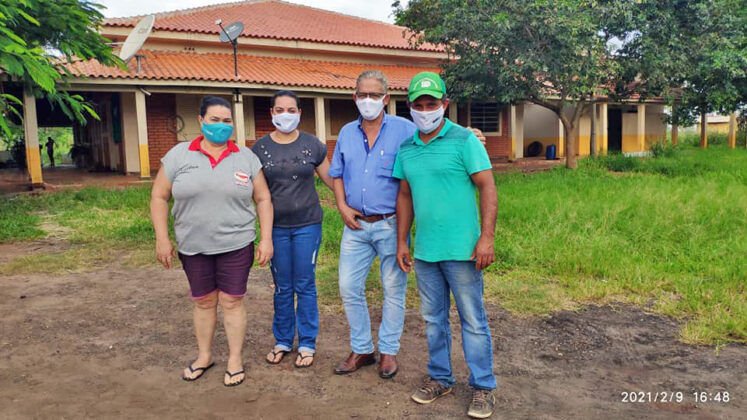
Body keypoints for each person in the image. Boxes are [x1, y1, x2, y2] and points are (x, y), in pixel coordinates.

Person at [393, 72, 499, 419]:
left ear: (445, 104)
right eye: (419, 105)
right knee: (433, 320)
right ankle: (441, 378)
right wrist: (402, 241)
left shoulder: (464, 140)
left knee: (472, 319)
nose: (426, 110)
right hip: (425, 251)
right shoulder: (407, 149)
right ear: (410, 107)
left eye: (432, 104)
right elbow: (405, 195)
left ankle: (482, 386)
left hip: (464, 251)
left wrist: (486, 238)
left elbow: (487, 187)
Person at [150, 96, 274, 387]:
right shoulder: (179, 155)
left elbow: (263, 198)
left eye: (227, 121)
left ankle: (234, 359)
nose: (221, 126)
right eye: (215, 120)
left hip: (236, 243)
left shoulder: (245, 157)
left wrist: (266, 239)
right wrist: (161, 238)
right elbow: (159, 196)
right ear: (201, 121)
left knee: (232, 301)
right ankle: (204, 356)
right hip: (193, 245)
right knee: (204, 302)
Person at [328, 70, 416, 379]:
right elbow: (336, 173)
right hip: (355, 226)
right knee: (349, 286)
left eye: (374, 95)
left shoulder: (406, 129)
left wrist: (468, 132)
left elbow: (436, 134)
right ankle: (362, 348)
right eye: (362, 94)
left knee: (393, 289)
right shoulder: (346, 133)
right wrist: (341, 205)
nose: (368, 100)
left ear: (386, 99)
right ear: (354, 98)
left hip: (391, 225)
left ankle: (388, 351)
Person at [252, 90, 334, 368]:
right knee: (282, 286)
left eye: (291, 110)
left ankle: (308, 342)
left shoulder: (313, 145)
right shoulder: (260, 148)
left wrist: (356, 202)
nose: (285, 115)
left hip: (307, 225)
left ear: (300, 113)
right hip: (275, 228)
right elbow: (257, 193)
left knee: (305, 284)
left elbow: (333, 181)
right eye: (279, 110)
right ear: (271, 113)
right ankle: (283, 340)